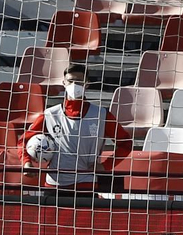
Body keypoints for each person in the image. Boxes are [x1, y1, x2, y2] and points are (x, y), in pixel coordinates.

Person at [22, 63, 134, 192]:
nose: (74, 85)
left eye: (79, 82)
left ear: (87, 84)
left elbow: (126, 144)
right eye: (70, 81)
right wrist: (26, 162)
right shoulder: (50, 114)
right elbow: (23, 140)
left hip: (86, 183)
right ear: (64, 83)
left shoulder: (101, 115)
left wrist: (105, 166)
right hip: (54, 183)